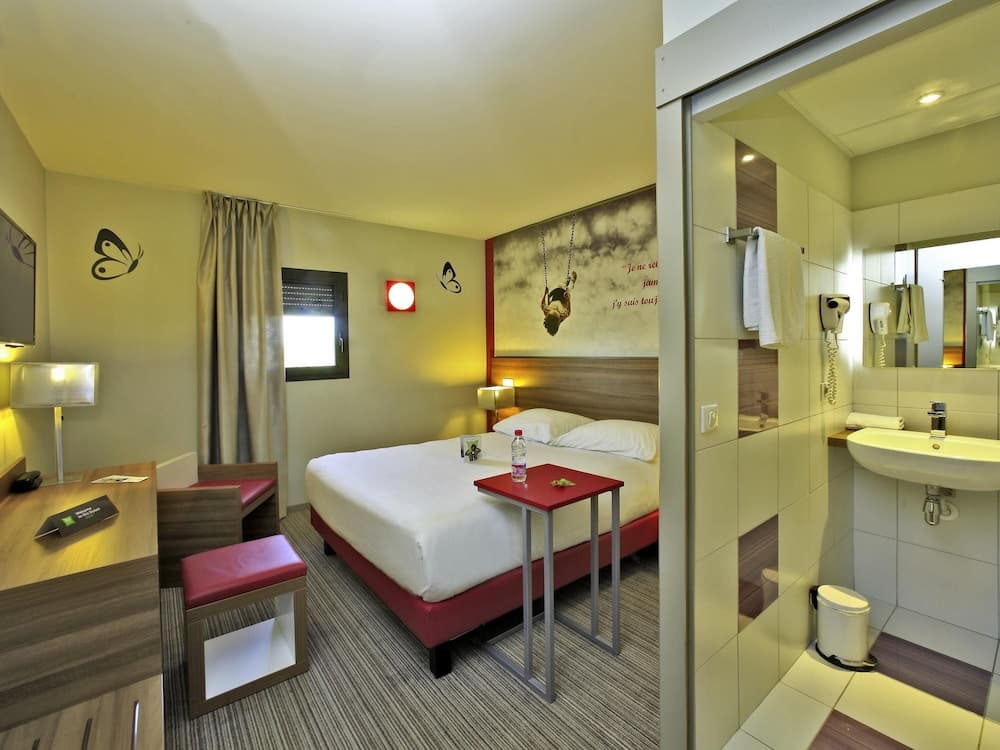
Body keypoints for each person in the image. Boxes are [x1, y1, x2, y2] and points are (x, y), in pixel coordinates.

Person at [540, 270, 577, 336]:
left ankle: (568, 280)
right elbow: (568, 313)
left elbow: (542, 305)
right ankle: (572, 281)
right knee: (568, 288)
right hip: (563, 298)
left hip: (556, 295)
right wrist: (568, 299)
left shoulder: (546, 313)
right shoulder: (561, 317)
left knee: (561, 285)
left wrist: (545, 294)